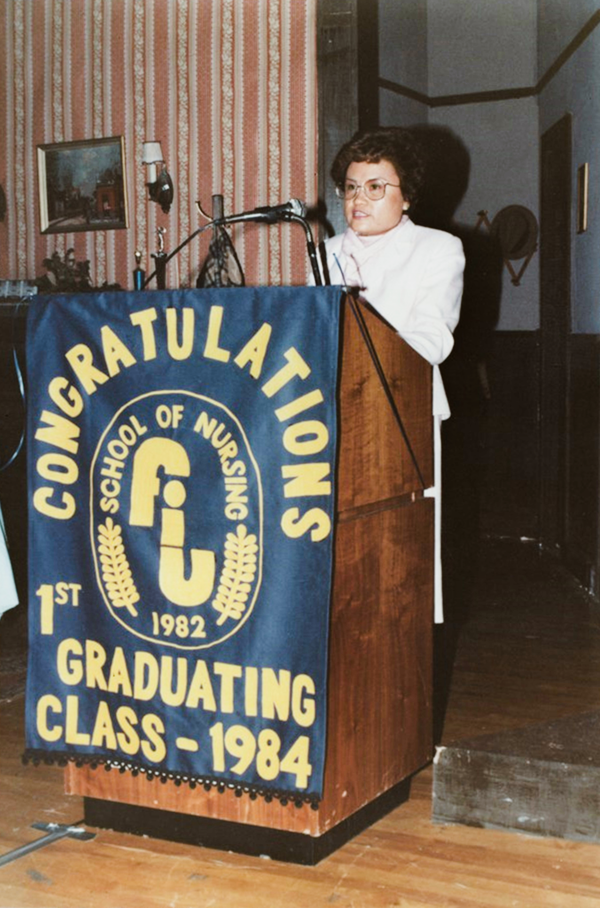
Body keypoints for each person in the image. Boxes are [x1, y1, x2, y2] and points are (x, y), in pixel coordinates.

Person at [318, 126, 466, 621]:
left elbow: (433, 337)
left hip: (401, 414)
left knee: (401, 557)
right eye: (352, 187)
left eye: (376, 187)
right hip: (329, 415)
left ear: (407, 198)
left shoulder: (438, 248)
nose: (359, 199)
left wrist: (369, 362)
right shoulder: (326, 251)